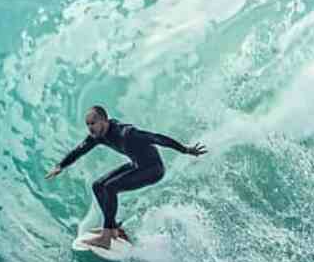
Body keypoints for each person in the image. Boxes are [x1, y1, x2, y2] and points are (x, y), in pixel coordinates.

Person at [45, 105, 206, 249]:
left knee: (110, 187)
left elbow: (157, 138)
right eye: (87, 124)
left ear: (104, 121)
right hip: (137, 165)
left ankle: (106, 237)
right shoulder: (98, 136)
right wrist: (61, 166)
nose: (90, 128)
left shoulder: (126, 133)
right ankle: (114, 229)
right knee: (98, 185)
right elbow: (80, 149)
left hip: (153, 169)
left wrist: (185, 149)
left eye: (93, 123)